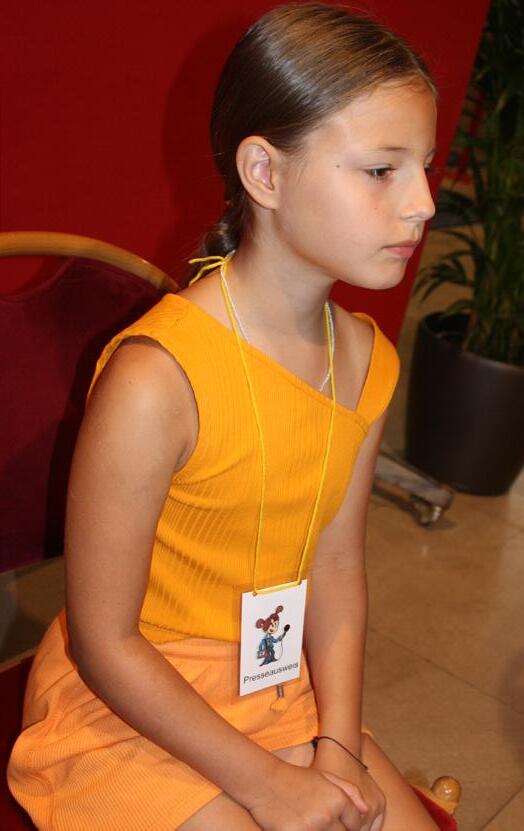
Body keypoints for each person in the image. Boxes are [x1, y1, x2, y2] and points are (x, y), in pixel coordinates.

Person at [7, 3, 446, 829]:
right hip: (127, 703)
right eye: (381, 170)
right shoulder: (157, 380)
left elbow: (336, 568)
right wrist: (268, 784)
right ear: (265, 174)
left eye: (425, 166)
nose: (423, 203)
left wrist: (338, 745)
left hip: (269, 681)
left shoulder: (363, 359)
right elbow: (105, 640)